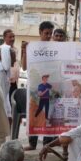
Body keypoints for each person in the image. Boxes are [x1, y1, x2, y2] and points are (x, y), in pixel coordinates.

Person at [24, 21, 56, 151]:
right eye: (46, 33)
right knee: (34, 113)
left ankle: (47, 144)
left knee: (48, 114)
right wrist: (24, 51)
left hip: (49, 87)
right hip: (34, 88)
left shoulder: (55, 49)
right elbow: (24, 66)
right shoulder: (32, 48)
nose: (48, 36)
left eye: (50, 33)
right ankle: (32, 143)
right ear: (40, 33)